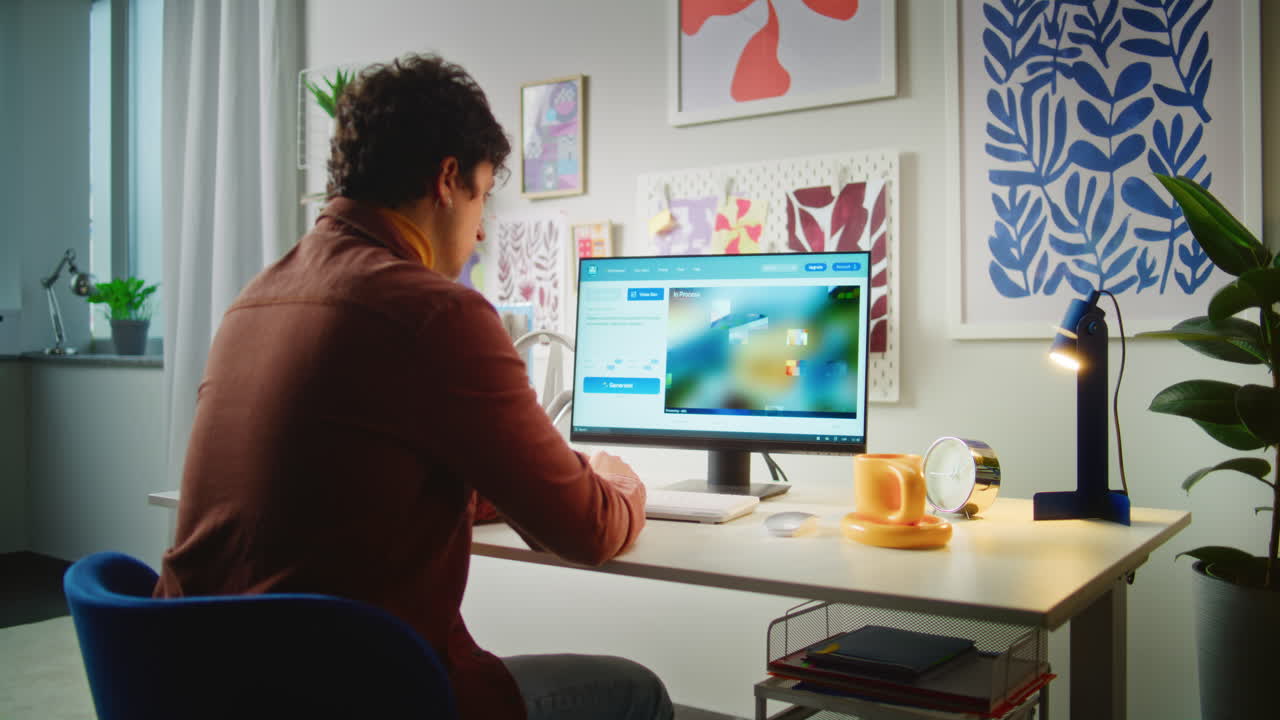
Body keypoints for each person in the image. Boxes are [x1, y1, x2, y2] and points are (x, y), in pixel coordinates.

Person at [154, 53, 673, 720]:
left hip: (199, 685)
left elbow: (352, 476)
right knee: (640, 693)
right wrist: (621, 483)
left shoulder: (255, 299)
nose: (483, 226)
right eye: (483, 194)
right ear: (447, 180)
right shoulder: (434, 312)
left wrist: (485, 488)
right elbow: (586, 531)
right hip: (352, 694)